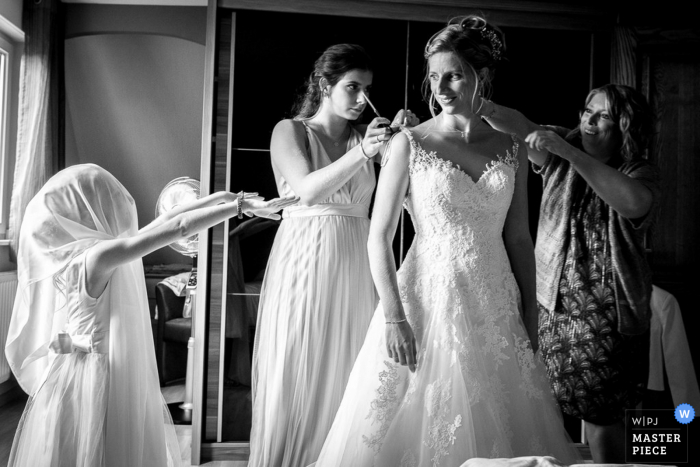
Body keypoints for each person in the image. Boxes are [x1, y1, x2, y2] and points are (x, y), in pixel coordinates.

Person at [313, 16, 580, 466]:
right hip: (426, 298)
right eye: (434, 76)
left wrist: (532, 315)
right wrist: (395, 319)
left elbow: (518, 238)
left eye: (454, 74)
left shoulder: (512, 148)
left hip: (495, 300)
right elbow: (379, 238)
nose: (441, 86)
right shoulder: (409, 144)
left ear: (484, 76)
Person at [5, 163, 297, 467]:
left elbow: (168, 219)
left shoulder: (82, 257)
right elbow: (177, 228)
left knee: (74, 443)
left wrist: (225, 198)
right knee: (98, 442)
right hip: (98, 370)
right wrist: (236, 206)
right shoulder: (98, 257)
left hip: (75, 366)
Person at [249, 43, 417, 467]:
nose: (363, 99)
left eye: (368, 89)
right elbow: (307, 189)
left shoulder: (371, 138)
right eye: (352, 87)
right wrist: (365, 152)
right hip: (305, 257)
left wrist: (410, 141)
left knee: (351, 369)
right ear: (324, 85)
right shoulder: (290, 131)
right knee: (299, 366)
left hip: (358, 261)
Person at [479, 84, 659, 463]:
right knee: (545, 408)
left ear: (624, 126)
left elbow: (633, 203)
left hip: (610, 315)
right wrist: (479, 103)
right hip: (555, 306)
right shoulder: (561, 144)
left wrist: (568, 151)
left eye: (603, 116)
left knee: (602, 417)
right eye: (587, 111)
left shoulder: (637, 170)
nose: (589, 122)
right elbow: (518, 125)